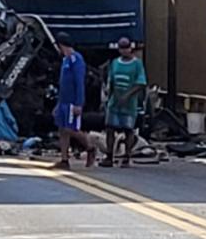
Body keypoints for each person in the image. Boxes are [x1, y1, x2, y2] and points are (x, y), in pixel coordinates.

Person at [100, 38, 147, 168]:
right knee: (110, 128)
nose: (124, 50)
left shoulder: (137, 64)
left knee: (128, 130)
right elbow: (111, 82)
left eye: (126, 47)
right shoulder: (115, 63)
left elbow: (141, 83)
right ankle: (109, 156)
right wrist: (108, 98)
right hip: (114, 102)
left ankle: (127, 156)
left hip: (129, 103)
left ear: (130, 48)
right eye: (121, 48)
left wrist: (127, 96)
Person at [53, 32, 95, 170]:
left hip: (72, 101)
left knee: (70, 128)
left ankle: (90, 146)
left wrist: (79, 103)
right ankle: (64, 159)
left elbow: (79, 82)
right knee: (62, 129)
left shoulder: (76, 60)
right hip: (63, 100)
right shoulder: (65, 60)